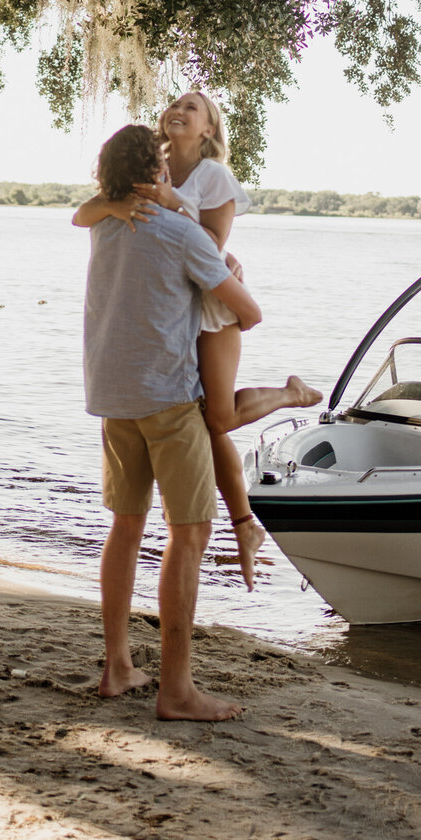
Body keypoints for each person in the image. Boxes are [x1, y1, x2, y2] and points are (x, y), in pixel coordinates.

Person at [74, 90, 321, 590]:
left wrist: (170, 203)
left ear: (209, 129)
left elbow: (211, 247)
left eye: (193, 108)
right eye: (175, 105)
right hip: (173, 303)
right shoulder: (152, 162)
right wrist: (117, 205)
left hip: (210, 299)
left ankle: (290, 394)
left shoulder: (213, 177)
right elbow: (86, 214)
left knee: (219, 417)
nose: (179, 111)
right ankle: (246, 525)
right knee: (209, 422)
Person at [80, 122, 261, 721]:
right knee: (188, 535)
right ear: (155, 173)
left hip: (113, 397)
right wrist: (226, 267)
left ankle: (118, 667)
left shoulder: (106, 224)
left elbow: (85, 214)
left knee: (125, 528)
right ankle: (178, 690)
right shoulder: (183, 231)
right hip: (168, 401)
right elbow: (249, 314)